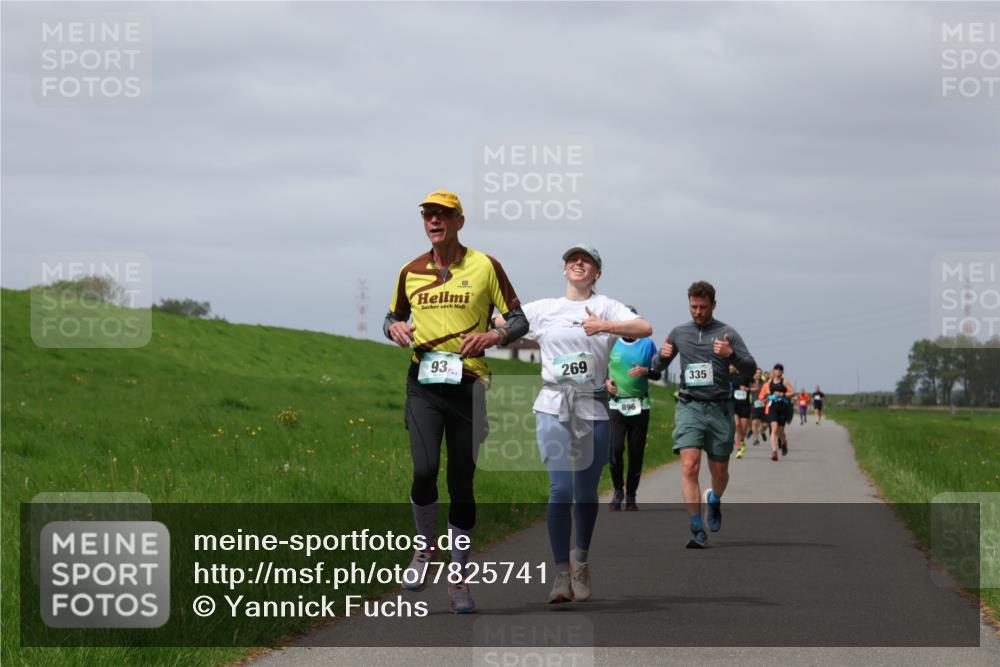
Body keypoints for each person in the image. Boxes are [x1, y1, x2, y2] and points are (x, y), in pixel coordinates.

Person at [385, 189, 528, 614]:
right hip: (423, 384)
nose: (434, 220)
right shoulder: (409, 271)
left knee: (461, 482)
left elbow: (520, 319)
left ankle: (459, 576)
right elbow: (392, 316)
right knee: (425, 469)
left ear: (459, 221)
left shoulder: (486, 266)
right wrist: (393, 329)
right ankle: (425, 548)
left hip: (469, 385)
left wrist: (494, 335)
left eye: (443, 215)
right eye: (428, 214)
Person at [503, 244, 651, 603]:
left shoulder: (606, 306)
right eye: (572, 259)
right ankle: (560, 574)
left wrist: (605, 326)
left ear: (597, 272)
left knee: (585, 493)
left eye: (586, 260)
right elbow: (501, 322)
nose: (578, 263)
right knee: (560, 490)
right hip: (553, 405)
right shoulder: (544, 309)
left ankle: (580, 559)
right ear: (564, 269)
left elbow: (644, 326)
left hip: (594, 408)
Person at [652, 281, 756, 548]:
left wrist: (731, 354)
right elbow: (656, 368)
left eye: (703, 307)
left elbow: (749, 369)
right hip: (690, 406)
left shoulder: (727, 334)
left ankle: (715, 499)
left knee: (719, 472)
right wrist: (661, 358)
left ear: (713, 305)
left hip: (720, 408)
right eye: (693, 306)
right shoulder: (679, 333)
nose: (697, 312)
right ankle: (696, 527)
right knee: (690, 465)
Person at [604, 307, 661, 510]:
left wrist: (645, 370)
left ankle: (631, 495)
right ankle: (618, 489)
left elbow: (657, 374)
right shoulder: (611, 342)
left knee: (636, 453)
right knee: (615, 449)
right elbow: (602, 370)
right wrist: (606, 382)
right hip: (616, 404)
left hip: (640, 405)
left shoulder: (647, 344)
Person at [759, 363, 794, 461]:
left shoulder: (785, 382)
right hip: (772, 407)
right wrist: (765, 398)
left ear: (782, 372)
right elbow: (762, 395)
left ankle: (784, 443)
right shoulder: (768, 383)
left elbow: (792, 393)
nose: (778, 371)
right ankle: (774, 452)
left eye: (780, 370)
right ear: (773, 371)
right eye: (776, 369)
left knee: (781, 431)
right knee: (774, 430)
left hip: (783, 407)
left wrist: (781, 394)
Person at [730, 365, 753, 459]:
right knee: (737, 425)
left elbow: (756, 387)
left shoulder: (746, 376)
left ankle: (742, 441)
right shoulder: (728, 376)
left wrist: (748, 389)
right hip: (733, 404)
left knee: (743, 429)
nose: (731, 367)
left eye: (733, 365)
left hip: (745, 405)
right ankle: (739, 448)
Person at [749, 368, 767, 446]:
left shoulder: (764, 383)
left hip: (764, 405)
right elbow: (746, 389)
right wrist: (753, 389)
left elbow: (768, 393)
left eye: (760, 373)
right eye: (757, 373)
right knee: (754, 422)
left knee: (765, 425)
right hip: (754, 405)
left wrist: (765, 400)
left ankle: (762, 431)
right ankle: (755, 439)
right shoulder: (750, 382)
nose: (758, 374)